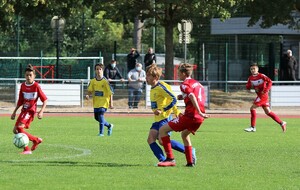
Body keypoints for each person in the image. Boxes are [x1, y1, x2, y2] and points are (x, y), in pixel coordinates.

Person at [157, 63, 209, 167]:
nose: (178, 76)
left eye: (179, 73)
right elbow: (196, 95)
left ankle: (170, 159)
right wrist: (184, 97)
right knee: (184, 134)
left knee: (163, 130)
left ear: (184, 74)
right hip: (199, 119)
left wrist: (198, 111)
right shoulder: (198, 83)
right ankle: (190, 162)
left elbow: (192, 96)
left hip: (191, 116)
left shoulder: (184, 84)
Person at [145, 64, 196, 163]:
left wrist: (163, 110)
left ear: (155, 77)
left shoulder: (161, 87)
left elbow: (173, 99)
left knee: (161, 140)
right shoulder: (153, 88)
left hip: (165, 118)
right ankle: (163, 159)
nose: (146, 78)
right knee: (150, 139)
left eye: (148, 76)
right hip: (157, 119)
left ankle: (189, 150)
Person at [11, 64, 48, 154]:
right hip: (24, 110)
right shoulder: (23, 86)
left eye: (30, 75)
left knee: (20, 128)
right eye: (27, 75)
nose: (28, 77)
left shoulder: (36, 86)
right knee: (15, 130)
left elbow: (45, 100)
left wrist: (41, 111)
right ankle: (35, 141)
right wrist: (14, 112)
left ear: (34, 76)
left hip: (30, 111)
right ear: (25, 76)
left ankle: (28, 148)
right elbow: (20, 101)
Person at [244, 63, 287, 132]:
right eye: (251, 69)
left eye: (254, 69)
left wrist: (266, 90)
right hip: (259, 95)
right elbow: (247, 87)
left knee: (252, 108)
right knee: (268, 112)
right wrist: (252, 87)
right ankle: (282, 123)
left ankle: (252, 127)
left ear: (257, 69)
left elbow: (270, 82)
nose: (253, 70)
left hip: (263, 95)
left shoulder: (261, 76)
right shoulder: (250, 78)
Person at [86, 63, 114, 136]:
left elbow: (110, 93)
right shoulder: (93, 81)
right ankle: (109, 126)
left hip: (104, 102)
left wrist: (111, 103)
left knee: (101, 115)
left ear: (102, 70)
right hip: (96, 103)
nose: (98, 71)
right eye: (97, 69)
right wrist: (88, 95)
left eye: (100, 69)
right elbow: (90, 90)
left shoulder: (105, 81)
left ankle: (101, 133)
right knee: (96, 118)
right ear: (95, 70)